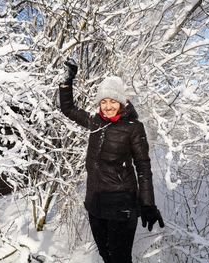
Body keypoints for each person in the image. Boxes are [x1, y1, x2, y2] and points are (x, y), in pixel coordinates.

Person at [58, 58, 164, 263]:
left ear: (122, 102)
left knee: (120, 259)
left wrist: (147, 203)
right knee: (106, 255)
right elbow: (68, 109)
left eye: (112, 101)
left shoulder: (134, 127)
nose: (107, 107)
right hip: (95, 205)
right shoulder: (95, 121)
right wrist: (67, 81)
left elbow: (143, 166)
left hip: (121, 208)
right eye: (104, 101)